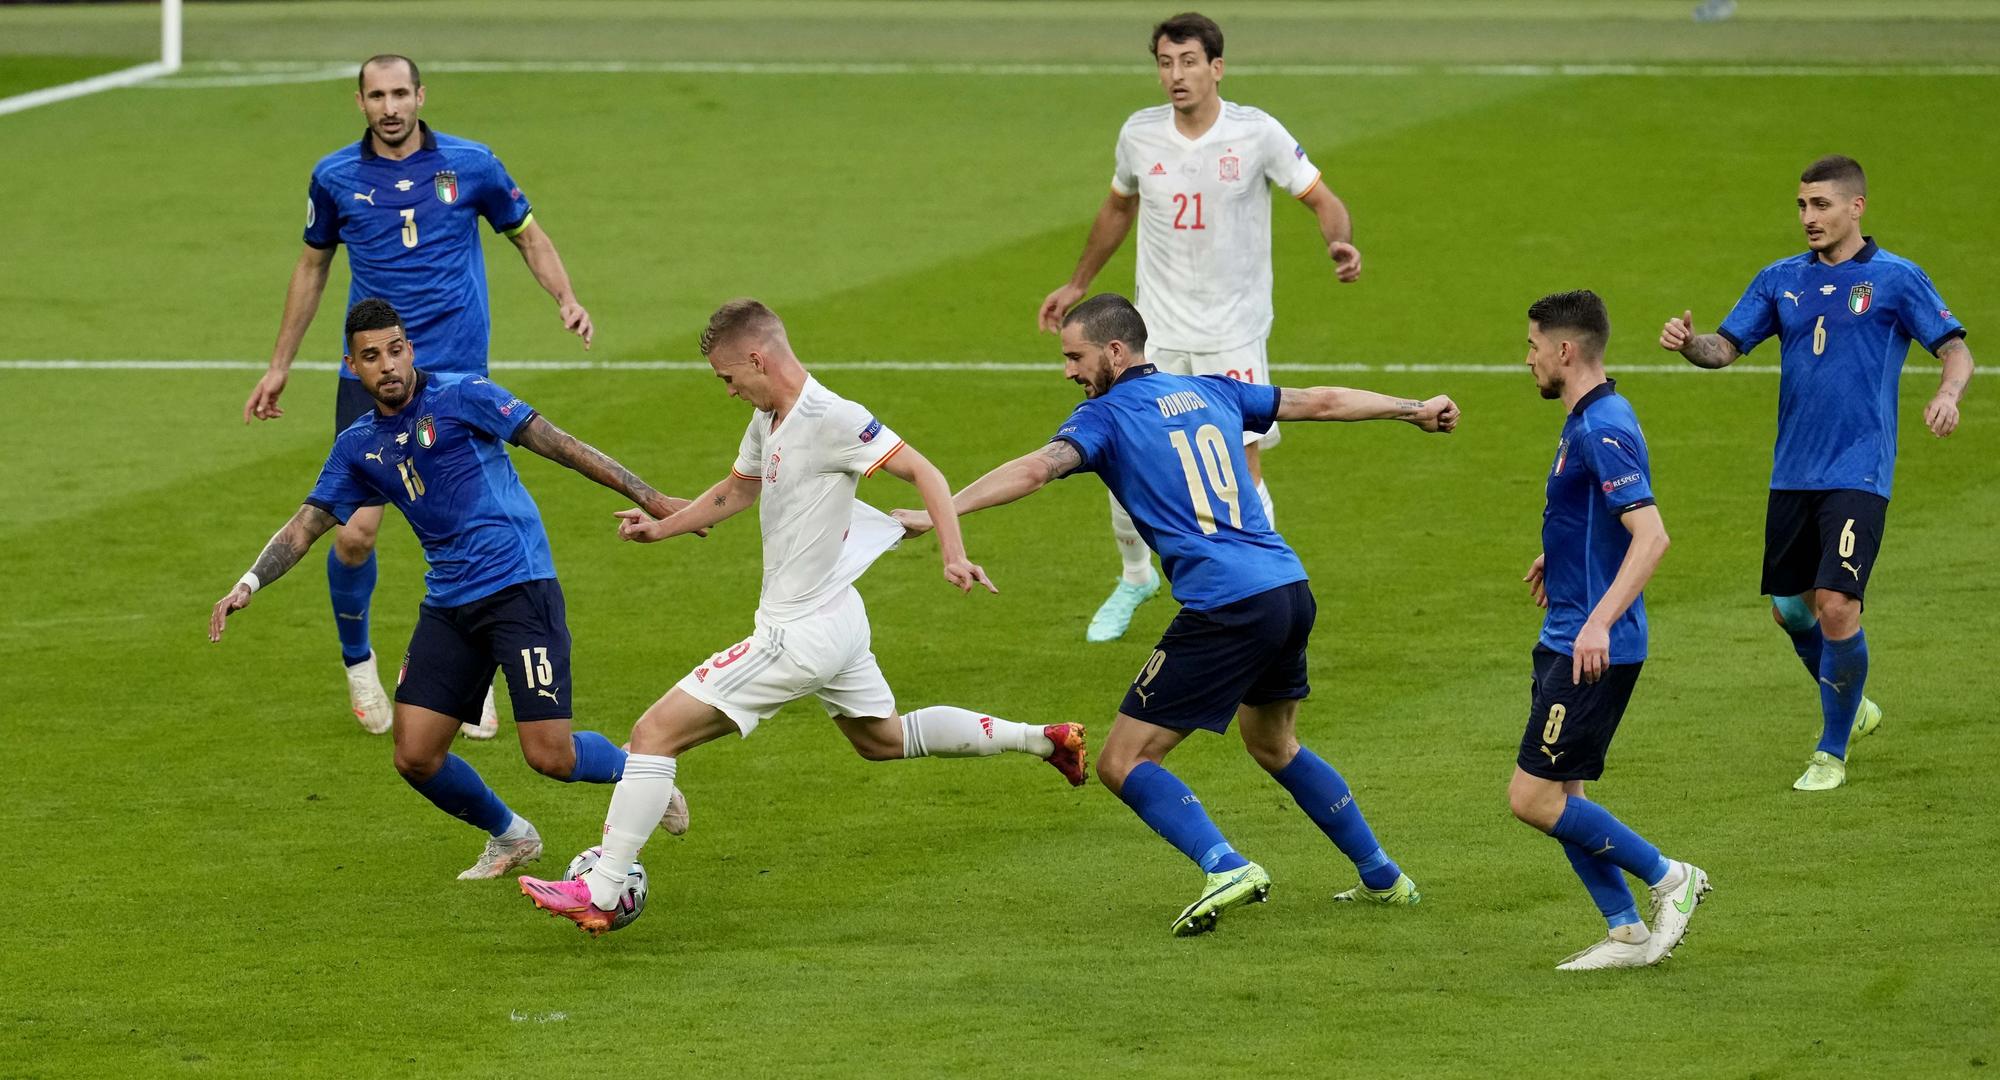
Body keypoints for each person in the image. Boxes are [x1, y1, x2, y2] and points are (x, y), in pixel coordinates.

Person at [518, 300, 1087, 935]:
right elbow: (738, 488)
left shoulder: (831, 417)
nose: (729, 391)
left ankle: (601, 887)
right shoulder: (770, 418)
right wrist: (664, 527)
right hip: (841, 620)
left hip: (797, 634)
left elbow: (923, 469)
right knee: (883, 739)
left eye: (729, 378)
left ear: (758, 359)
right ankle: (1046, 739)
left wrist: (952, 552)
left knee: (653, 734)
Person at [899, 294, 1448, 936]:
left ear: (1113, 351)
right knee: (1273, 743)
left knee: (1122, 762)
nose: (1068, 372)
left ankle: (1226, 865)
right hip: (1287, 588)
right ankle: (1385, 877)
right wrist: (1414, 410)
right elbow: (1318, 401)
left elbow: (1035, 469)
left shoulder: (1102, 419)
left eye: (1074, 356)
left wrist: (941, 512)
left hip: (1226, 605)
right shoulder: (1209, 390)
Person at [211, 299, 688, 881]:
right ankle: (512, 836)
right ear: (351, 367)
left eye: (394, 350)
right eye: (370, 357)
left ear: (409, 349)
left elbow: (557, 443)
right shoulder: (357, 446)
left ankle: (643, 775)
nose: (386, 365)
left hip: (519, 588)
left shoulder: (465, 395)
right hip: (450, 605)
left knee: (550, 757)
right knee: (414, 756)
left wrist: (647, 495)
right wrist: (248, 582)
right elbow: (307, 524)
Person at [243, 54, 595, 739]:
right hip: (369, 378)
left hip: (457, 378)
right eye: (377, 95)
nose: (391, 106)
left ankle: (473, 674)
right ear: (360, 102)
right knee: (356, 533)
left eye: (400, 92)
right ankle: (358, 662)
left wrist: (566, 298)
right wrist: (279, 364)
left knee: (473, 525)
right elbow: (312, 266)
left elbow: (529, 235)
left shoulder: (473, 164)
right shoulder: (335, 176)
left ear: (420, 95)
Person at [1035, 11, 1362, 644]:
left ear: (1216, 67)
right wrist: (1079, 281)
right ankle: (1135, 577)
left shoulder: (1257, 132)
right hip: (1148, 334)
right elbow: (1117, 206)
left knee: (1242, 468)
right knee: (1119, 451)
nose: (1175, 76)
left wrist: (1339, 244)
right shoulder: (1139, 135)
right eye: (1165, 63)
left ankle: (1265, 582)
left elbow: (1323, 199)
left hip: (1232, 333)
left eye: (1188, 62)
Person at [1660, 154, 1973, 791]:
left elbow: (1955, 348)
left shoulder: (1896, 279)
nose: (1809, 217)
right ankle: (1854, 704)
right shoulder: (1781, 279)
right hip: (1792, 472)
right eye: (1802, 205)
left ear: (1856, 207)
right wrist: (1690, 344)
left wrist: (1949, 395)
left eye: (1821, 205)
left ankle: (1831, 752)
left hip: (1859, 470)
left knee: (1836, 604)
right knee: (1791, 611)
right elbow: (1725, 349)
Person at [1514, 290, 1709, 971]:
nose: (1529, 360)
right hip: (1568, 631)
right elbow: (1602, 518)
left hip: (1591, 647)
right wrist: (1561, 554)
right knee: (1565, 792)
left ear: (1566, 351)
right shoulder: (1588, 419)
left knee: (1532, 796)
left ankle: (1669, 877)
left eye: (1534, 347)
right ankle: (1625, 931)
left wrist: (1597, 620)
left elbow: (1651, 537)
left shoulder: (1602, 427)